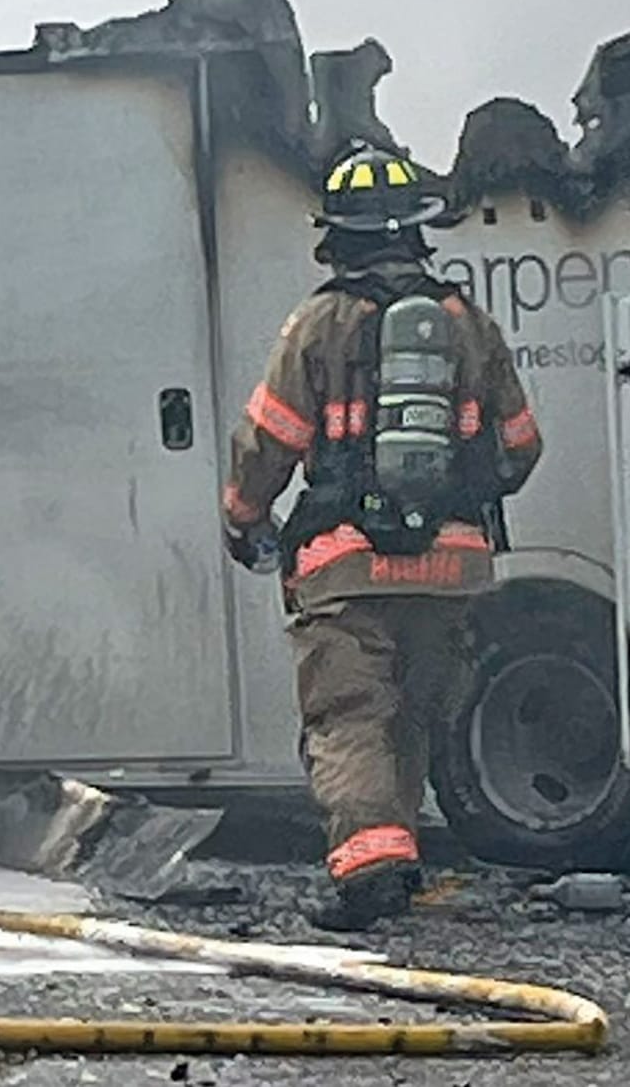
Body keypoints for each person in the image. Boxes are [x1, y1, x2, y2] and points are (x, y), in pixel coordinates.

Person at [221, 146, 543, 930]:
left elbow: (269, 439)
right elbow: (522, 443)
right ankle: (395, 861)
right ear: (416, 232)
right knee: (411, 717)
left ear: (339, 236)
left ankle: (370, 876)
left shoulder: (319, 323)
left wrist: (244, 518)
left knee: (351, 715)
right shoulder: (469, 324)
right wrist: (461, 497)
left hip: (346, 565)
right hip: (454, 565)